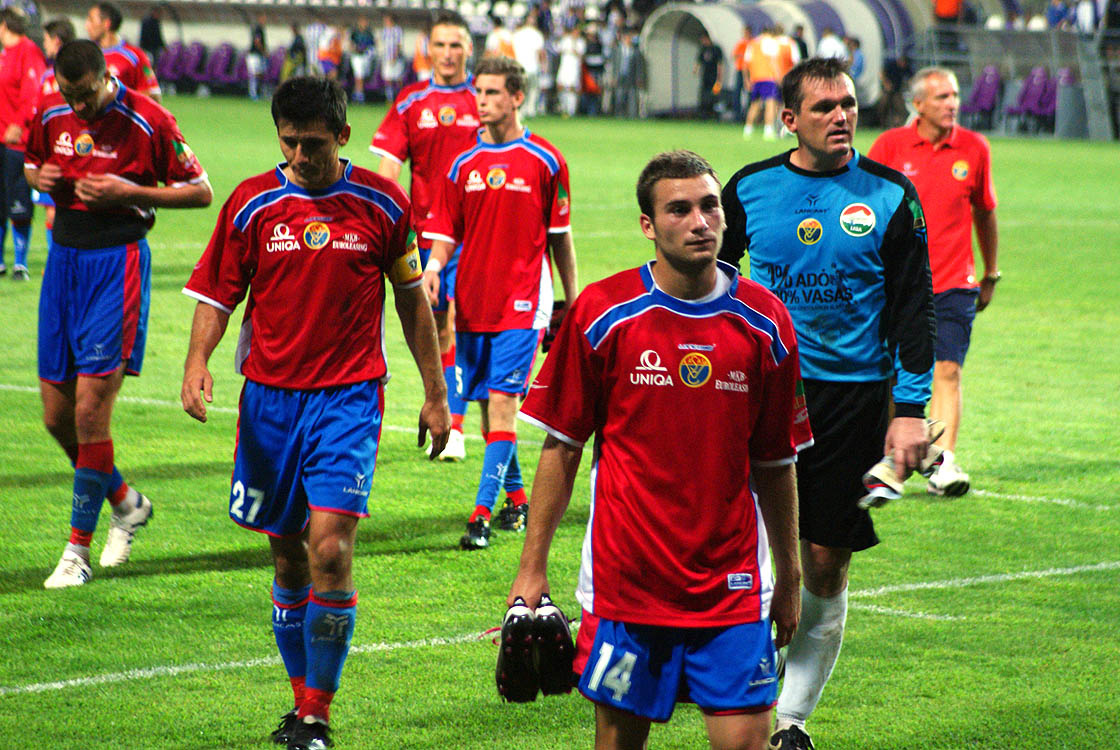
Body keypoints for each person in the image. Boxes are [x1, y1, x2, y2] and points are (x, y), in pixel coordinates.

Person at [180, 76, 450, 750]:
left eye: (315, 144)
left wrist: (438, 393)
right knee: (287, 562)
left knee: (329, 552)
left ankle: (317, 716)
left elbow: (412, 302)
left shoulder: (384, 203)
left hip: (349, 399)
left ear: (343, 137)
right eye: (290, 143)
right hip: (268, 402)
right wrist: (196, 362)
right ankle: (302, 704)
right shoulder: (252, 203)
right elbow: (218, 295)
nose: (301, 156)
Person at [508, 149, 810, 750]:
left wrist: (791, 575)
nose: (700, 221)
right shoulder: (603, 313)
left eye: (709, 206)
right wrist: (531, 568)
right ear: (648, 225)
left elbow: (776, 462)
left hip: (732, 587)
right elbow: (562, 448)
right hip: (627, 586)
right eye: (679, 209)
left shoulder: (766, 322)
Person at [719, 57, 934, 750]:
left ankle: (791, 721)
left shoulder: (892, 195)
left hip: (852, 402)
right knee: (745, 552)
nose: (842, 116)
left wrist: (909, 409)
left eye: (848, 104)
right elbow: (709, 283)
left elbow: (913, 311)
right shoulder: (748, 189)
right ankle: (748, 695)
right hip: (760, 395)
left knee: (822, 560)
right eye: (823, 107)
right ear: (790, 119)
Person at [25, 39, 213, 588]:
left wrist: (129, 189)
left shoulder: (149, 119)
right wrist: (38, 177)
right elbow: (35, 159)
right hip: (62, 264)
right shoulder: (52, 111)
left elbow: (201, 191)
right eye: (69, 95)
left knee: (89, 414)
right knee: (57, 418)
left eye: (86, 95)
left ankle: (75, 552)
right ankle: (126, 501)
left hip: (117, 264)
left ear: (107, 77)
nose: (78, 107)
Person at [422, 55, 578, 550]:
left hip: (522, 303)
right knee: (490, 407)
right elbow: (445, 234)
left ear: (516, 97)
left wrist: (571, 301)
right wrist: (432, 266)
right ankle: (516, 501)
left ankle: (480, 517)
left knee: (504, 407)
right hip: (469, 303)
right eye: (479, 93)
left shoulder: (546, 160)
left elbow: (560, 238)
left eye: (491, 93)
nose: (481, 102)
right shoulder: (462, 166)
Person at [869, 66, 999, 498]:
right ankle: (908, 452)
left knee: (947, 369)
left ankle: (944, 461)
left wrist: (990, 272)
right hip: (896, 285)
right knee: (889, 374)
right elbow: (866, 210)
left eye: (955, 95)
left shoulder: (974, 148)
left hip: (953, 282)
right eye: (941, 97)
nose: (952, 103)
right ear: (918, 103)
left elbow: (985, 211)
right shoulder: (889, 146)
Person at [369, 11, 480, 463]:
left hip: (475, 234)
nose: (448, 54)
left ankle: (456, 427)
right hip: (423, 234)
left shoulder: (483, 97)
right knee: (435, 327)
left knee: (463, 324)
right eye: (440, 45)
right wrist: (383, 215)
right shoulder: (412, 101)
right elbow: (389, 169)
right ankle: (445, 414)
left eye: (456, 45)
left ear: (468, 49)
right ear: (428, 49)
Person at [0, 7, 45, 280]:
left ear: (4, 25)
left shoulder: (29, 52)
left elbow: (34, 94)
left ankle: (20, 262)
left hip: (17, 142)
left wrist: (18, 123)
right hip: (0, 139)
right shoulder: (3, 55)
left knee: (18, 202)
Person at [32, 16, 75, 255]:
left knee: (56, 208)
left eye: (47, 39)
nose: (44, 44)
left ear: (56, 40)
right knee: (51, 208)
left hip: (63, 149)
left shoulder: (63, 75)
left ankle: (58, 256)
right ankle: (57, 257)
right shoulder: (48, 75)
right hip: (53, 150)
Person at [85, 2, 161, 101]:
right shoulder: (86, 54)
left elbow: (153, 95)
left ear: (106, 23)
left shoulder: (135, 56)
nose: (86, 25)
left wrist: (117, 99)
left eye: (91, 20)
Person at [742, 27, 784, 140]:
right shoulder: (770, 42)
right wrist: (779, 77)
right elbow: (773, 62)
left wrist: (746, 79)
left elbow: (745, 64)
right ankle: (768, 130)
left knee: (754, 104)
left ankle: (747, 130)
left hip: (756, 78)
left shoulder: (753, 44)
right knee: (771, 104)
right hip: (768, 77)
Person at [512, 9, 546, 117]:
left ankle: (521, 111)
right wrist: (543, 65)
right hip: (532, 67)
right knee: (532, 90)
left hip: (520, 66)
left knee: (522, 90)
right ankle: (530, 110)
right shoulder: (537, 34)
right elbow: (540, 53)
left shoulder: (517, 34)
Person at [694, 32, 724, 120]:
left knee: (715, 94)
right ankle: (703, 113)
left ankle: (715, 114)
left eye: (703, 39)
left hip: (715, 77)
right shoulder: (703, 49)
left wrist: (719, 77)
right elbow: (698, 61)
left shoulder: (716, 49)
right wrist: (696, 70)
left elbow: (720, 64)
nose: (703, 41)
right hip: (705, 77)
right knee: (703, 94)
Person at [378, 13, 404, 102]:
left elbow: (399, 44)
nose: (386, 22)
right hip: (386, 58)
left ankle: (401, 96)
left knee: (398, 78)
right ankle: (389, 98)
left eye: (387, 20)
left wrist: (395, 56)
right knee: (387, 78)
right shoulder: (384, 31)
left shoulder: (397, 30)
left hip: (396, 58)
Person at [349, 16, 374, 101]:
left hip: (365, 56)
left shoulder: (369, 33)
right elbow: (351, 44)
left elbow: (372, 45)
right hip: (357, 56)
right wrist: (355, 49)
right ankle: (359, 95)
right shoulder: (355, 32)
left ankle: (357, 93)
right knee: (358, 75)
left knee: (362, 76)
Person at [247, 13, 267, 100]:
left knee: (259, 74)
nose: (265, 21)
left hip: (257, 55)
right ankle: (253, 94)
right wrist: (263, 51)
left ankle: (257, 92)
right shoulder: (258, 28)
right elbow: (257, 41)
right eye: (263, 19)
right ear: (260, 19)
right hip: (254, 55)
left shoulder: (259, 28)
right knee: (254, 75)